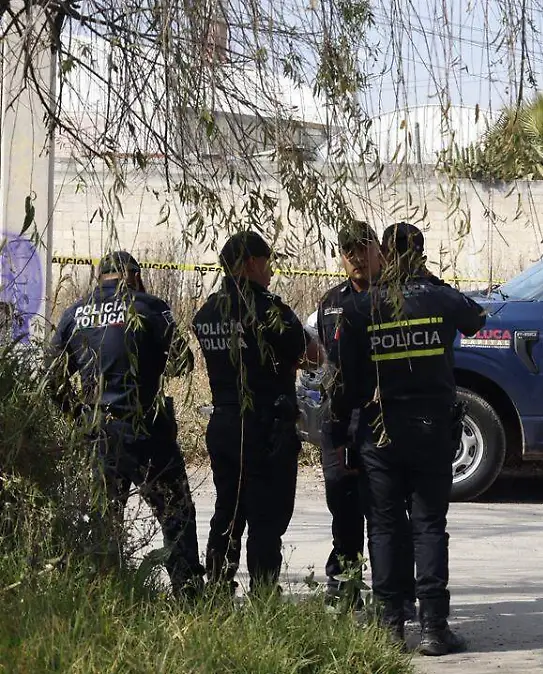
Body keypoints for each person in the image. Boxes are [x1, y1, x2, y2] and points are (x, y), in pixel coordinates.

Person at [334, 221, 485, 654]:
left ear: (384, 252)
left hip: (380, 430)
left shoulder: (362, 306)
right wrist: (431, 282)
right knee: (429, 526)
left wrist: (343, 427)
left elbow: (346, 381)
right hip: (432, 429)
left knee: (383, 527)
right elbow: (475, 318)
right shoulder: (439, 296)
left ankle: (390, 627)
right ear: (421, 253)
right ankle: (434, 629)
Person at [47, 251, 204, 598]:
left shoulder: (75, 314)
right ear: (133, 276)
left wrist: (80, 417)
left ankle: (110, 595)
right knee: (176, 515)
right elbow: (182, 363)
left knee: (104, 522)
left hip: (99, 434)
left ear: (99, 277)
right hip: (148, 431)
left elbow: (51, 380)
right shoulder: (150, 306)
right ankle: (189, 595)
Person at [192, 231, 323, 596]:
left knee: (228, 511)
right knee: (266, 517)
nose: (269, 273)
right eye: (267, 265)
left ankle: (217, 589)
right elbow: (311, 356)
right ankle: (264, 595)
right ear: (251, 263)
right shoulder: (268, 310)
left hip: (224, 423)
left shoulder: (208, 311)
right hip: (266, 427)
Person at [314, 220, 414, 620]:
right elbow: (327, 360)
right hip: (340, 417)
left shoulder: (396, 298)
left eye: (363, 248)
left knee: (388, 510)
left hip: (384, 417)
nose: (356, 256)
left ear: (380, 251)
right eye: (347, 250)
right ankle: (345, 587)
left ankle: (396, 595)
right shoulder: (331, 301)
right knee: (343, 506)